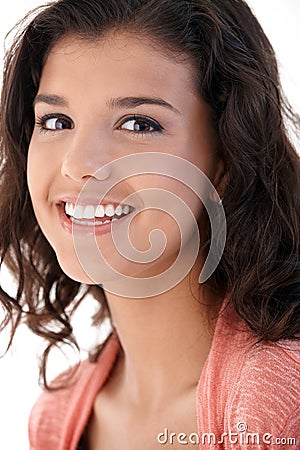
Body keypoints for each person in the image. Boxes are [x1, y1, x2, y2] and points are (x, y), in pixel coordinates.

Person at [0, 0, 299, 449]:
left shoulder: (278, 407)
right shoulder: (56, 418)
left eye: (138, 123)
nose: (77, 164)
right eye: (57, 121)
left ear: (227, 160)